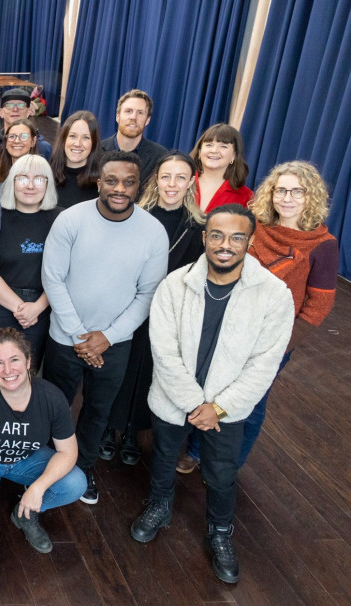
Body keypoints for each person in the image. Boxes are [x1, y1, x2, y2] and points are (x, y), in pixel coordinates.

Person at [130, 204, 293, 584]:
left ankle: (220, 532)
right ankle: (159, 506)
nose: (225, 245)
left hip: (225, 409)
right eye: (217, 235)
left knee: (220, 475)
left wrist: (217, 408)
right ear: (204, 238)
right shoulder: (175, 284)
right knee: (164, 456)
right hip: (174, 398)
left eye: (237, 237)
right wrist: (193, 403)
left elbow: (264, 365)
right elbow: (164, 352)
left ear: (249, 243)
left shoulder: (274, 294)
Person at [178, 161, 338, 473]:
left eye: (297, 191)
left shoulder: (323, 246)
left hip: (270, 340)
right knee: (211, 390)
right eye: (281, 190)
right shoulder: (254, 226)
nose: (287, 198)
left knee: (248, 404)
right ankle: (196, 451)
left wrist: (279, 346)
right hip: (225, 326)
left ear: (311, 197)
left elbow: (318, 306)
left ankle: (227, 465)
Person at [40, 151, 168, 505]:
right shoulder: (70, 220)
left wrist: (106, 338)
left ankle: (82, 469)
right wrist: (82, 336)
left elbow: (148, 293)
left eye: (129, 182)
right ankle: (46, 466)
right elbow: (53, 279)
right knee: (55, 406)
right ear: (99, 182)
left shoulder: (153, 232)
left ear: (138, 186)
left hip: (115, 343)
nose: (119, 188)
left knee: (98, 411)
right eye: (112, 181)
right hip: (65, 338)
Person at [103, 152, 206, 466]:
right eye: (165, 176)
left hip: (168, 315)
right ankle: (109, 427)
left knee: (148, 372)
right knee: (117, 370)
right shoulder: (135, 215)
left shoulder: (198, 227)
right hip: (128, 306)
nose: (171, 184)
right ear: (156, 180)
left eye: (180, 177)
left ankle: (134, 431)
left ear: (190, 182)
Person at [0, 328, 86, 552]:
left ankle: (25, 513)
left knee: (76, 483)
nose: (8, 370)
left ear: (28, 361)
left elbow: (68, 452)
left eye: (14, 360)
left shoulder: (52, 398)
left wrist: (38, 488)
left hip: (26, 459)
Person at [0, 154, 61, 369]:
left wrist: (37, 308)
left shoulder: (61, 221)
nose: (30, 185)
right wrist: (20, 308)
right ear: (12, 182)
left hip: (40, 308)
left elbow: (65, 272)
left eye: (39, 179)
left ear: (48, 184)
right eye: (22, 178)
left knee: (26, 373)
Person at [100, 89, 168, 183]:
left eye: (140, 113)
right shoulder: (96, 151)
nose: (133, 117)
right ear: (117, 116)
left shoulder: (160, 157)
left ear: (147, 120)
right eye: (128, 111)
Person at [190, 123, 253, 213]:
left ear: (234, 156)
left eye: (223, 146)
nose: (214, 150)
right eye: (209, 145)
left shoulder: (246, 197)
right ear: (199, 152)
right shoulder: (182, 182)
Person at [0, 88, 52, 165]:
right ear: (1, 112)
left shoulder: (44, 149)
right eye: (9, 105)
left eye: (21, 105)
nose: (15, 109)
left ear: (29, 112)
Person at [50, 110, 103, 209]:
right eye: (72, 136)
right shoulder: (46, 176)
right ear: (64, 139)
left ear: (94, 143)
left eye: (86, 137)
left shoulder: (101, 186)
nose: (78, 143)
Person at [0, 118, 40, 188]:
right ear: (6, 142)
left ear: (33, 141)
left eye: (23, 136)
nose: (17, 141)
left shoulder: (39, 178)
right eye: (12, 136)